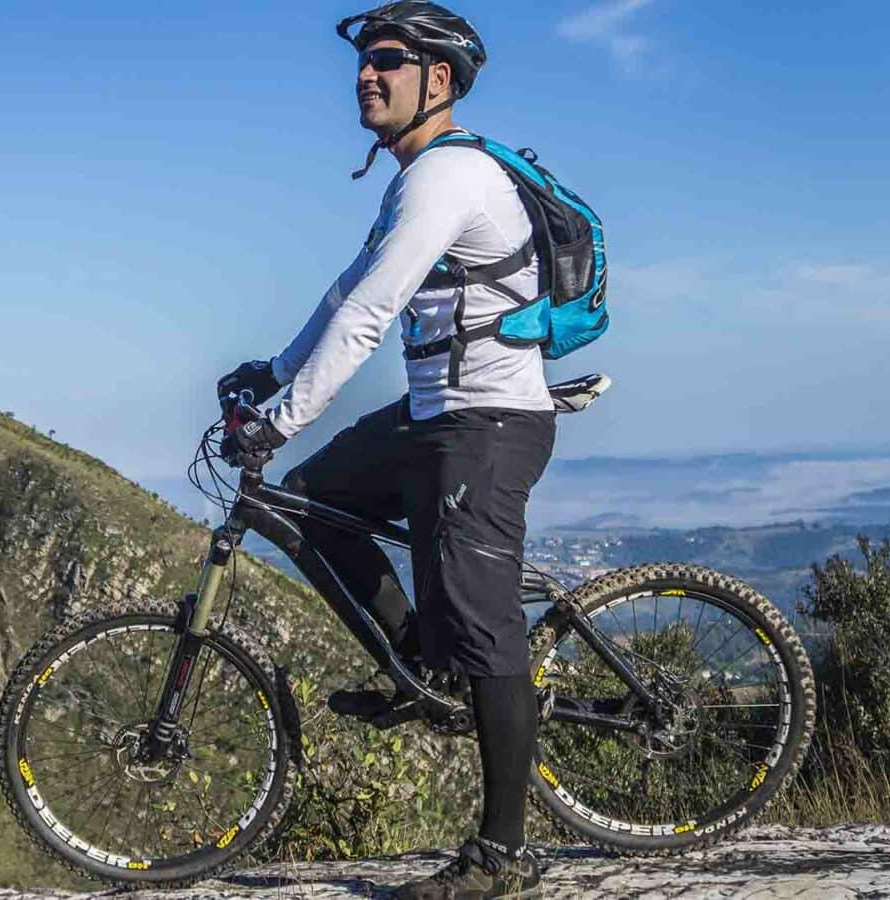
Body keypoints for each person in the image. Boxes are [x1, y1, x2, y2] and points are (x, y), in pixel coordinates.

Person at [217, 3, 555, 897]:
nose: (367, 75)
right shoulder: (410, 181)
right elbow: (345, 294)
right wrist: (272, 369)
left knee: (486, 626)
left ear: (437, 81)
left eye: (389, 61)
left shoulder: (449, 177)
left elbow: (370, 318)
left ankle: (503, 858)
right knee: (309, 508)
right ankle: (420, 667)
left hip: (486, 421)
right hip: (432, 413)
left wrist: (280, 416)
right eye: (363, 63)